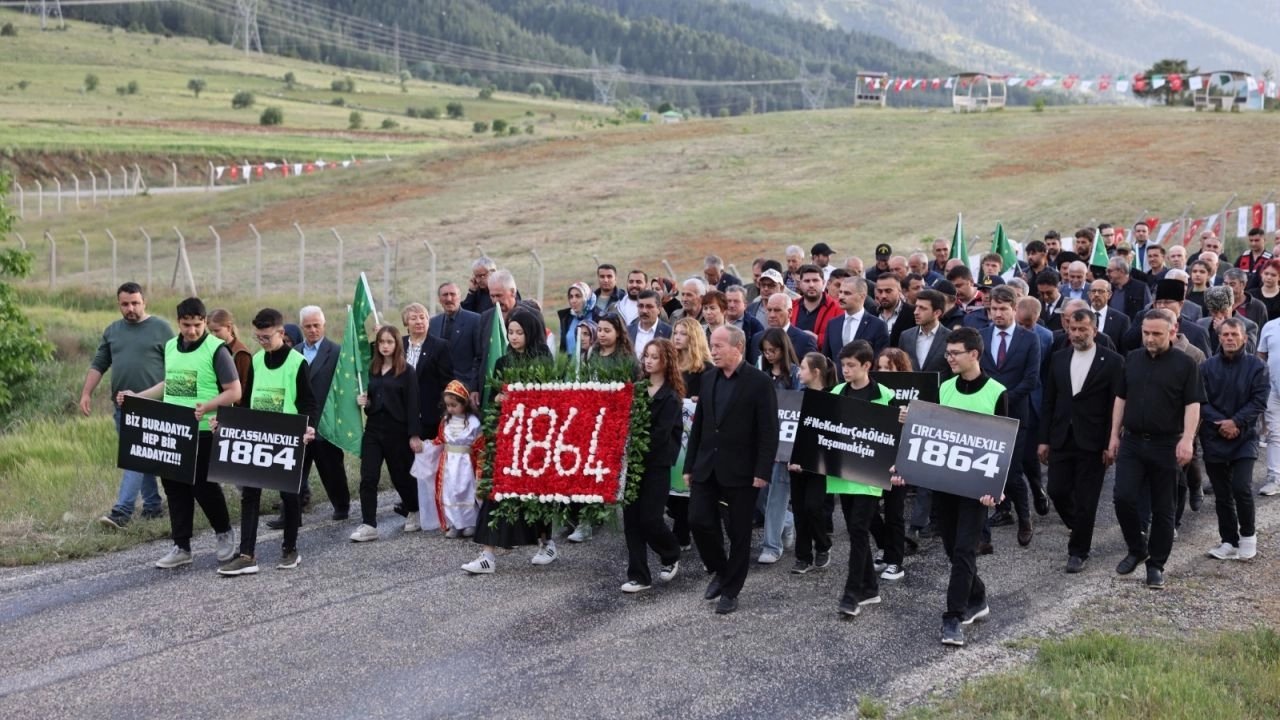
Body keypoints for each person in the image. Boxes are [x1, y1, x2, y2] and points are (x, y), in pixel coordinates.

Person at [892, 328, 1004, 647]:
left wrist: (996, 488)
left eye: (955, 353)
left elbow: (1006, 444)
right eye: (948, 353)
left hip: (977, 486)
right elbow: (930, 431)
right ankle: (978, 597)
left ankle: (953, 617)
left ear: (974, 355)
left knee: (965, 549)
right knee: (952, 547)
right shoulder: (944, 388)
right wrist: (909, 422)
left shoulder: (996, 392)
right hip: (944, 482)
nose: (949, 358)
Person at [119, 297, 240, 569]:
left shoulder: (216, 349)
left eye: (197, 325)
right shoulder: (171, 346)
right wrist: (136, 397)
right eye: (186, 325)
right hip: (173, 431)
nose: (192, 331)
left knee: (204, 487)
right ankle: (181, 545)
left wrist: (207, 406)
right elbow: (168, 384)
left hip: (203, 430)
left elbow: (235, 391)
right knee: (174, 489)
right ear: (179, 322)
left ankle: (224, 533)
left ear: (204, 321)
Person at [684, 325, 779, 615]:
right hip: (706, 466)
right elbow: (699, 426)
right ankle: (720, 570)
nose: (713, 350)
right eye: (712, 344)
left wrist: (763, 470)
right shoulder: (710, 378)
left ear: (737, 348)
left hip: (742, 470)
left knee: (739, 532)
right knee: (698, 520)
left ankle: (731, 589)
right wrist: (689, 465)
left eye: (719, 345)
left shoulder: (759, 382)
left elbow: (768, 431)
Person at [1108, 308, 1205, 590]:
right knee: (1123, 497)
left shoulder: (1186, 364)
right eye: (1146, 333)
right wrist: (1114, 435)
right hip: (1133, 442)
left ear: (1172, 332)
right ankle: (1137, 548)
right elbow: (1120, 399)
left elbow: (1193, 405)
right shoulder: (1133, 359)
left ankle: (1156, 565)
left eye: (1156, 334)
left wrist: (1187, 439)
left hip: (1167, 444)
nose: (1149, 339)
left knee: (1164, 508)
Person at [218, 307, 318, 575]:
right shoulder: (257, 361)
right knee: (250, 494)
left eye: (266, 337)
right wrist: (227, 422)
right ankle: (247, 555)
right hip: (258, 437)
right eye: (258, 337)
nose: (261, 342)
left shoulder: (298, 363)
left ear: (281, 333)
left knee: (289, 495)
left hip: (287, 438)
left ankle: (290, 549)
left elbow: (309, 402)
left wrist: (309, 429)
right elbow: (248, 401)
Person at [462, 308, 559, 573]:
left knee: (534, 494)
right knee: (497, 492)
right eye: (511, 332)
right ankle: (487, 555)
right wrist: (497, 400)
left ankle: (546, 542)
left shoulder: (542, 359)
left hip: (534, 440)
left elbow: (546, 399)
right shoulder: (502, 363)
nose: (514, 337)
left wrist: (519, 399)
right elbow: (493, 395)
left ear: (531, 333)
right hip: (507, 436)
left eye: (520, 332)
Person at [1038, 308, 1124, 573]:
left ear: (1094, 330)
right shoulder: (1059, 358)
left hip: (1094, 440)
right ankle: (1080, 526)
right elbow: (1049, 401)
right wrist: (1044, 439)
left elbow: (1116, 405)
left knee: (1087, 499)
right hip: (1062, 436)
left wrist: (1112, 441)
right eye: (1072, 329)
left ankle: (1078, 551)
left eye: (1082, 329)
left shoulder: (1112, 361)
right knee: (1057, 491)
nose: (1076, 334)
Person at [85, 282, 174, 529]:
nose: (130, 308)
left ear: (144, 302)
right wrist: (86, 394)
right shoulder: (113, 330)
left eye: (135, 303)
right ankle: (153, 506)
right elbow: (99, 364)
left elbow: (176, 369)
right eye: (125, 304)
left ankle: (122, 512)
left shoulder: (161, 329)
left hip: (155, 407)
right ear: (119, 304)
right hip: (123, 408)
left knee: (135, 457)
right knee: (140, 458)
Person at [828, 340, 894, 616]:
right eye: (843, 365)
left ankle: (852, 593)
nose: (845, 370)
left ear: (867, 365)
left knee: (857, 529)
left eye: (851, 365)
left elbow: (893, 435)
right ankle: (869, 589)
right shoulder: (836, 392)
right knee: (856, 528)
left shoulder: (885, 395)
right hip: (844, 474)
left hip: (870, 475)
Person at [272, 306, 348, 527]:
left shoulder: (336, 352)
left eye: (316, 325)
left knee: (332, 468)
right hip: (299, 422)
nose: (313, 330)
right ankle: (289, 516)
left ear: (323, 326)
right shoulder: (293, 352)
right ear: (302, 327)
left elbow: (343, 386)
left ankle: (341, 507)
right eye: (308, 326)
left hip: (325, 421)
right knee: (293, 471)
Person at [978, 285, 1042, 547]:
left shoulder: (1029, 339)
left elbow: (1031, 380)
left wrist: (1002, 400)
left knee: (1013, 471)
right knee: (986, 469)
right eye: (993, 309)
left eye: (1003, 309)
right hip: (985, 415)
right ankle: (992, 522)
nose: (997, 314)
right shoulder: (981, 336)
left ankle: (1025, 518)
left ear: (1015, 309)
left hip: (1016, 414)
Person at [1199, 318, 1267, 561]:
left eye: (1234, 335)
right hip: (1214, 436)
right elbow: (1201, 400)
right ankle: (1228, 540)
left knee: (1241, 487)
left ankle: (1248, 536)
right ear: (1219, 338)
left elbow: (1259, 400)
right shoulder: (1207, 367)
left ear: (1244, 338)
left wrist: (1236, 422)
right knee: (1222, 493)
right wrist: (1222, 424)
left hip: (1244, 437)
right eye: (1225, 334)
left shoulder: (1256, 367)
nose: (1229, 338)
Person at [621, 339, 685, 593]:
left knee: (650, 518)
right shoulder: (637, 389)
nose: (648, 361)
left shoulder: (670, 396)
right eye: (646, 355)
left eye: (654, 357)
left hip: (657, 464)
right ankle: (639, 575)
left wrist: (634, 442)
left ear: (665, 361)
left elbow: (660, 435)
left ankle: (671, 552)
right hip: (634, 464)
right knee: (631, 521)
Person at [349, 326, 425, 542]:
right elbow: (372, 400)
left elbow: (413, 405)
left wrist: (414, 435)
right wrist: (365, 402)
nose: (385, 346)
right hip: (373, 430)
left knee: (401, 477)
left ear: (397, 344)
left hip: (398, 431)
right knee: (368, 476)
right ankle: (369, 524)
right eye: (381, 342)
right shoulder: (371, 370)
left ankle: (414, 510)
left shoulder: (407, 371)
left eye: (390, 342)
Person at [789, 352, 836, 575]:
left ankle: (823, 544)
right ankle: (803, 556)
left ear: (816, 372)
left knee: (813, 506)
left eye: (803, 368)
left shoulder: (832, 398)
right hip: (796, 463)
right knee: (799, 510)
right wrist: (791, 457)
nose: (798, 372)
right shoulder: (798, 397)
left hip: (819, 464)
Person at [869, 347, 914, 580]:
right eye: (881, 367)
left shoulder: (913, 396)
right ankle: (885, 547)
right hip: (876, 456)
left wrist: (909, 418)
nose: (883, 371)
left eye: (889, 367)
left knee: (894, 511)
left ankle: (895, 561)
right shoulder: (874, 391)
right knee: (868, 510)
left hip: (900, 459)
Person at [757, 328, 799, 565]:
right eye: (765, 351)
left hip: (785, 443)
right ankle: (788, 521)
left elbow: (800, 407)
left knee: (777, 494)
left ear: (783, 350)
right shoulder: (761, 373)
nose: (769, 355)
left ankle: (772, 546)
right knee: (759, 494)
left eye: (773, 350)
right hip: (762, 441)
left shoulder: (795, 375)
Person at [423, 380, 482, 538]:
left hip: (465, 463)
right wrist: (426, 446)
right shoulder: (445, 421)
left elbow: (479, 444)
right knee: (449, 492)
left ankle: (470, 523)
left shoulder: (473, 422)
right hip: (449, 463)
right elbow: (440, 439)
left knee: (466, 491)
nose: (450, 408)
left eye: (454, 405)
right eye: (448, 405)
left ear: (464, 403)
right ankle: (454, 523)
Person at [823, 276, 888, 364]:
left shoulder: (878, 325)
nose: (841, 297)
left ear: (862, 296)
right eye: (840, 292)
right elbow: (827, 358)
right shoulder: (833, 324)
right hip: (837, 377)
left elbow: (879, 361)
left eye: (847, 293)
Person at [431, 282, 484, 390]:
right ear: (439, 299)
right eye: (445, 295)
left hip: (465, 388)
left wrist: (474, 388)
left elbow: (479, 357)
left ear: (460, 297)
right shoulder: (433, 323)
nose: (449, 298)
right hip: (438, 388)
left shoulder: (475, 320)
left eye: (453, 294)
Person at [751, 293, 817, 366]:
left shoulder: (805, 341)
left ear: (790, 312)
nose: (772, 315)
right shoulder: (756, 338)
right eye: (769, 310)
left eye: (777, 310)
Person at [792, 264, 842, 351]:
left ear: (823, 283)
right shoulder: (791, 306)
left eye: (815, 280)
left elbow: (840, 339)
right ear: (799, 284)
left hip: (823, 361)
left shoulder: (837, 308)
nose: (811, 285)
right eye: (807, 281)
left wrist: (816, 339)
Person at [207, 308, 252, 384]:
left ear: (229, 327)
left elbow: (244, 386)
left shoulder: (241, 353)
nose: (213, 335)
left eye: (217, 331)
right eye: (211, 331)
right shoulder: (210, 348)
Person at [557, 282, 600, 356]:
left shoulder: (599, 316)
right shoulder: (566, 318)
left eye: (578, 296)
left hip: (592, 364)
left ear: (587, 297)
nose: (573, 301)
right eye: (571, 297)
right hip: (570, 366)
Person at [627, 289, 672, 360]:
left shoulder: (668, 332)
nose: (644, 311)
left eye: (649, 306)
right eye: (641, 306)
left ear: (659, 309)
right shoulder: (628, 331)